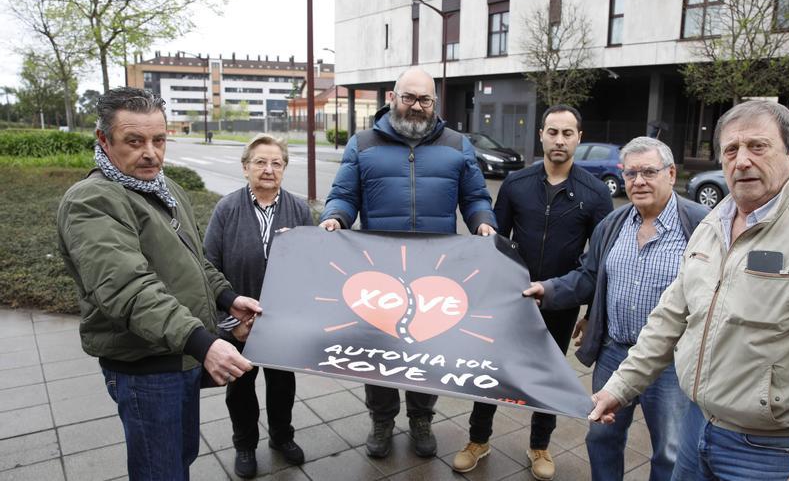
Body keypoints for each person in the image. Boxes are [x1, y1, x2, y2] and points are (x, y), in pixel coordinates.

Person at [589, 100, 789, 481]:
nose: (742, 160)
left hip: (770, 452)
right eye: (731, 149)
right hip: (698, 428)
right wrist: (622, 386)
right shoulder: (715, 222)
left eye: (757, 146)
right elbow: (670, 316)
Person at [56, 87, 261, 480]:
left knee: (180, 458)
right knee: (160, 472)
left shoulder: (165, 189)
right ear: (104, 140)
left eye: (159, 140)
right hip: (145, 369)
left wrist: (228, 298)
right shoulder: (92, 201)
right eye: (134, 141)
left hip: (182, 354)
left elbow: (193, 262)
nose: (151, 152)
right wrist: (204, 342)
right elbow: (129, 290)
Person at [318, 67, 497, 459]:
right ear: (393, 98)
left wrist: (484, 224)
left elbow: (476, 198)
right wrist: (336, 217)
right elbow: (344, 194)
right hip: (377, 270)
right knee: (378, 348)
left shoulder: (456, 144)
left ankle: (421, 419)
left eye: (425, 99)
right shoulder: (362, 144)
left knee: (427, 347)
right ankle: (381, 421)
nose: (416, 106)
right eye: (409, 98)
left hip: (435, 271)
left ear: (435, 103)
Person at [525, 136, 708, 480]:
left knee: (669, 451)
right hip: (614, 354)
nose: (638, 181)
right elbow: (588, 276)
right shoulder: (614, 224)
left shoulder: (700, 224)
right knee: (601, 436)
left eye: (649, 172)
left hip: (670, 364)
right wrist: (547, 290)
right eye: (630, 173)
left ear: (671, 173)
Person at [451, 104, 613, 480]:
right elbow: (496, 243)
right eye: (552, 132)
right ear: (540, 134)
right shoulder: (515, 184)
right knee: (491, 369)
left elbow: (601, 262)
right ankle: (478, 440)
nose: (559, 140)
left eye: (567, 133)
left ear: (578, 138)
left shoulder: (595, 194)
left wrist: (591, 313)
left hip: (560, 302)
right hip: (511, 300)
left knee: (548, 374)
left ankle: (540, 444)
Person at [204, 134, 313, 478]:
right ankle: (245, 445)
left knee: (283, 386)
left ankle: (282, 437)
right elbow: (207, 266)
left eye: (276, 163)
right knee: (241, 390)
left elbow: (313, 266)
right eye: (260, 162)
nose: (268, 169)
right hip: (239, 323)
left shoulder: (298, 209)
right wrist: (228, 321)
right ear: (245, 167)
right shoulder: (227, 209)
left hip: (282, 323)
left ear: (284, 168)